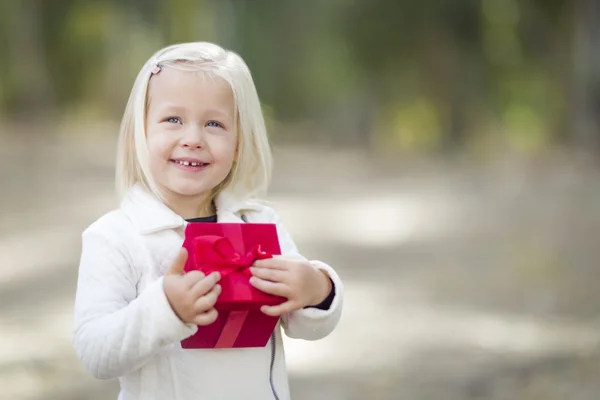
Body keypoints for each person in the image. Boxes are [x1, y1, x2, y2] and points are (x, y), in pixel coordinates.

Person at [72, 41, 344, 400]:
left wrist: (317, 290)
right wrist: (163, 308)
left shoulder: (259, 224)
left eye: (214, 124)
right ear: (141, 133)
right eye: (173, 120)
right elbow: (96, 353)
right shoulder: (115, 237)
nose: (193, 139)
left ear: (238, 145)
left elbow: (302, 324)